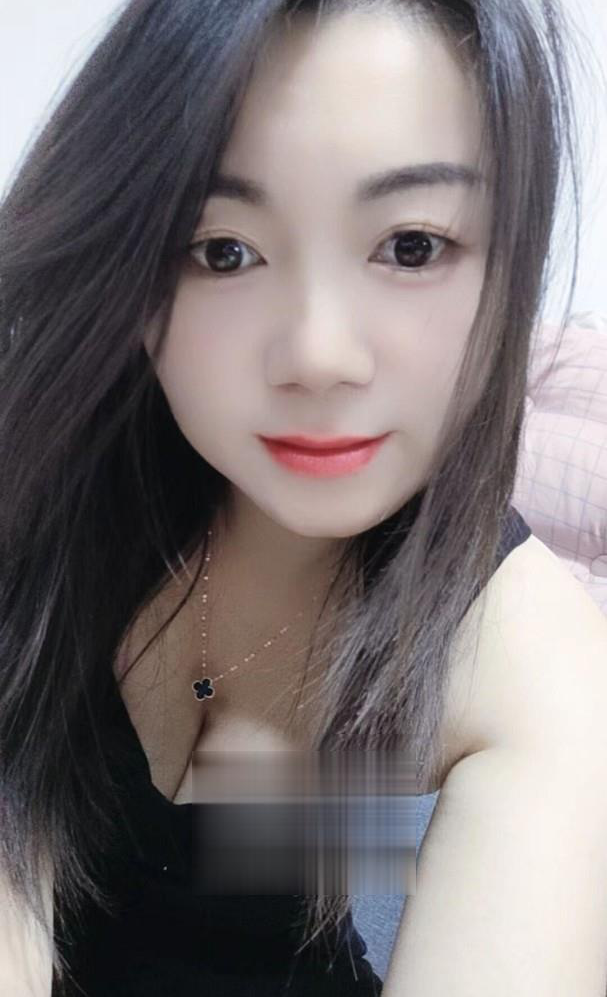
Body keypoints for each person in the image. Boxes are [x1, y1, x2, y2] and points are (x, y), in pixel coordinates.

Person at [1, 0, 607, 994]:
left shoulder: (530, 654)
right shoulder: (67, 478)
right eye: (222, 250)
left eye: (411, 246)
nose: (319, 354)